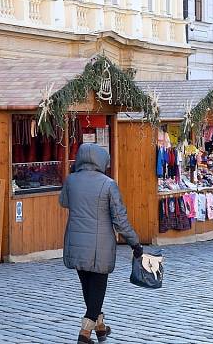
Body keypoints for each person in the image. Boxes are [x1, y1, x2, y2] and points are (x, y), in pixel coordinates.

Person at [59, 143, 142, 344]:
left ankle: (101, 327)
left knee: (88, 289)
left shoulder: (71, 180)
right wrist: (135, 243)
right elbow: (120, 220)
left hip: (76, 243)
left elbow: (64, 202)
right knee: (97, 289)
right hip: (100, 246)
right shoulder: (108, 184)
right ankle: (85, 332)